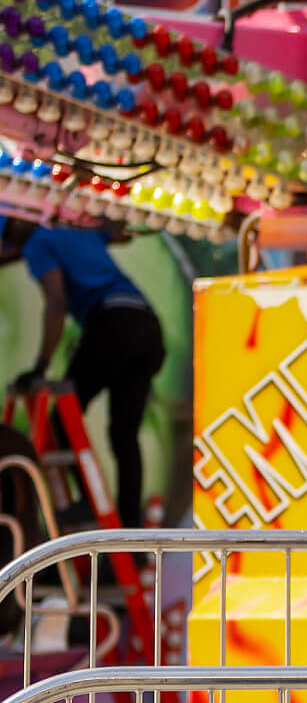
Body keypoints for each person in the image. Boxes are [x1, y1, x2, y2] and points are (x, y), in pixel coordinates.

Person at [0, 218, 166, 528]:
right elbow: (120, 231)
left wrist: (40, 365)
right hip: (147, 324)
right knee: (124, 437)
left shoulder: (37, 243)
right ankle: (131, 536)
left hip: (112, 323)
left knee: (62, 422)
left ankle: (90, 504)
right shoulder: (72, 228)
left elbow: (56, 301)